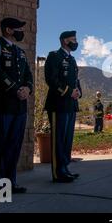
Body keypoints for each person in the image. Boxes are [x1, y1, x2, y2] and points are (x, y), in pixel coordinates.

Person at [0, 17, 33, 197]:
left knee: (13, 146)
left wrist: (28, 89)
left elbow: (28, 75)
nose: (21, 32)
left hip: (19, 108)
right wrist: (15, 89)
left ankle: (10, 183)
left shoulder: (20, 52)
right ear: (9, 30)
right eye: (18, 28)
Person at [44, 31, 82, 183]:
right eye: (73, 39)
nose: (75, 42)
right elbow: (51, 79)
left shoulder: (71, 60)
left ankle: (65, 168)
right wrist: (68, 92)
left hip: (71, 105)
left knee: (67, 139)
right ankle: (57, 172)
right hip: (58, 104)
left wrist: (78, 92)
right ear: (65, 41)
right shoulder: (54, 56)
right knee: (58, 139)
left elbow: (75, 81)